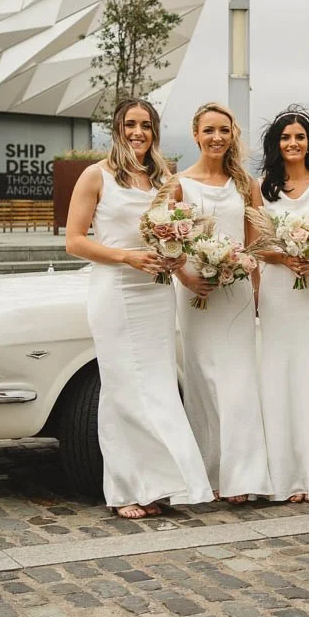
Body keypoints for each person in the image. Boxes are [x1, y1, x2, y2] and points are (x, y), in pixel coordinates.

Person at [64, 98, 213, 519]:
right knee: (123, 389)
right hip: (116, 292)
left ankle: (159, 483)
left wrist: (186, 275)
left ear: (155, 131)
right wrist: (125, 257)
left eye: (146, 125)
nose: (138, 132)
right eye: (130, 124)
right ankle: (126, 489)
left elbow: (174, 241)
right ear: (117, 129)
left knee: (158, 387)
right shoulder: (96, 175)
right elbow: (74, 241)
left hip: (156, 294)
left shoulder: (163, 179)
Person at [173, 102, 274, 504]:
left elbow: (256, 243)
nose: (217, 138)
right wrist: (186, 276)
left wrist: (257, 294)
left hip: (235, 294)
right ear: (196, 134)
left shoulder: (246, 184)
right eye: (209, 130)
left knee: (238, 382)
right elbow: (167, 241)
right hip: (195, 294)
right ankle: (209, 472)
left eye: (224, 131)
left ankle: (243, 476)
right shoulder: (179, 184)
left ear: (233, 136)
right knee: (202, 382)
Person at [255, 107, 309, 504]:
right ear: (276, 144)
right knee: (282, 375)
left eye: (300, 137)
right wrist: (284, 257)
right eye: (286, 137)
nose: (293, 143)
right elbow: (254, 244)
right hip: (279, 291)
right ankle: (288, 473)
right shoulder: (261, 188)